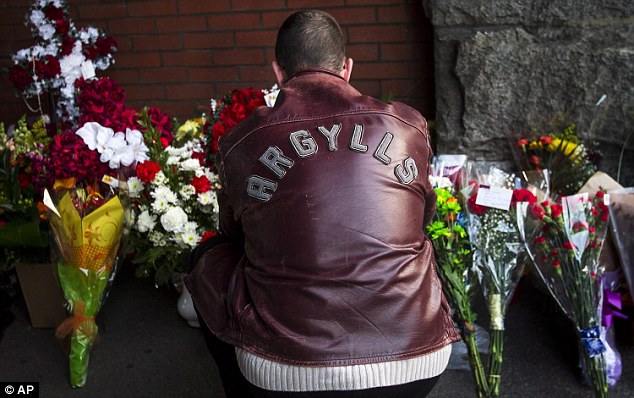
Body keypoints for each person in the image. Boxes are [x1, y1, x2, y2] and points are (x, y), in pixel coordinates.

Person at [185, 9, 459, 398]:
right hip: (418, 358)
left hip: (282, 372)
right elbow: (422, 217)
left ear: (278, 72)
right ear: (346, 68)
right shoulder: (407, 126)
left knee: (207, 256)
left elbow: (233, 232)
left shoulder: (243, 140)